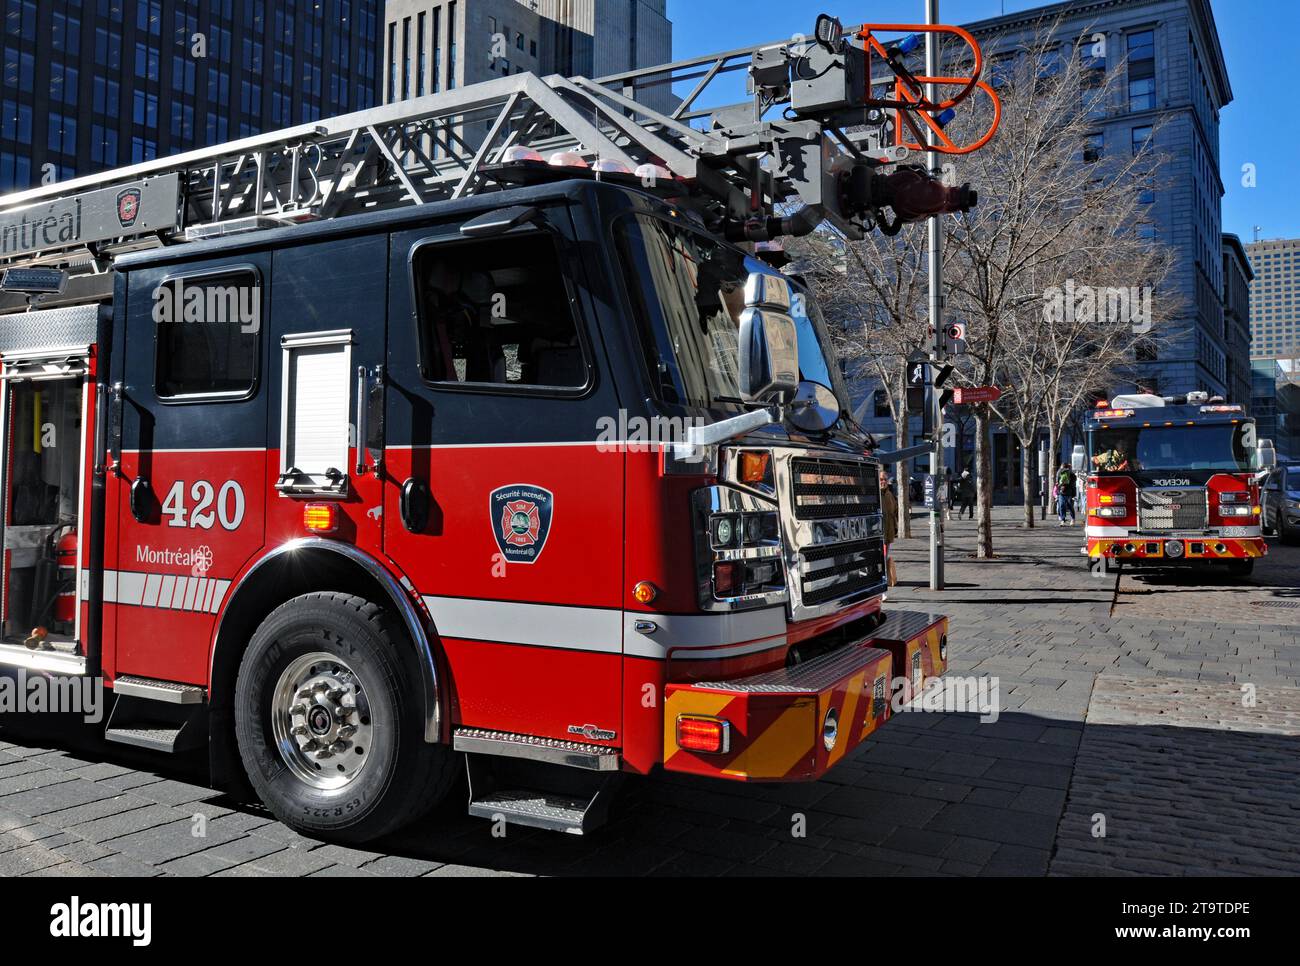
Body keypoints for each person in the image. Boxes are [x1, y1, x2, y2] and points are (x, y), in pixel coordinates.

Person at [880, 469, 898, 597]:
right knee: (879, 560)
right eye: (881, 479)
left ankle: (883, 584)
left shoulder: (889, 494)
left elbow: (894, 512)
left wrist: (895, 528)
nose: (883, 482)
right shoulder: (875, 495)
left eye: (885, 479)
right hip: (878, 535)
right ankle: (881, 589)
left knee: (884, 558)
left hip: (888, 533)